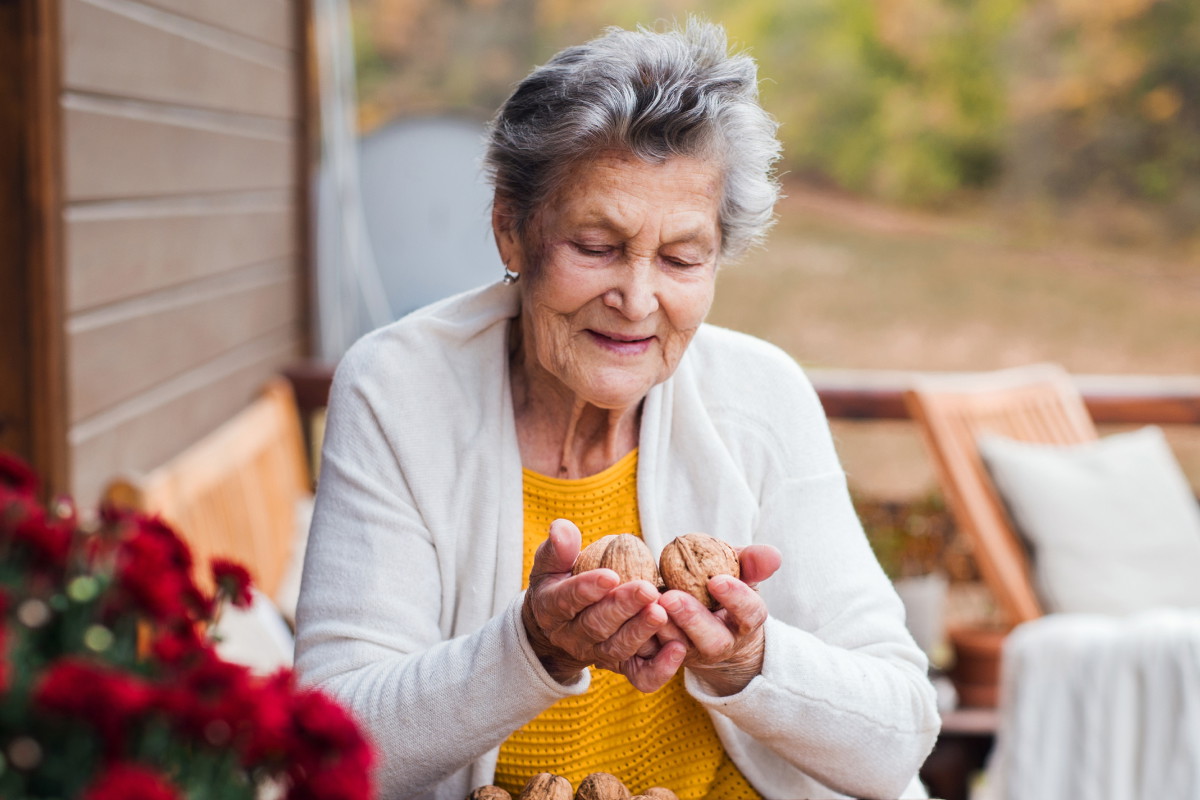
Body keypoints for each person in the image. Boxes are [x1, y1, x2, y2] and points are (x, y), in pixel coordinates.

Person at [295, 19, 940, 800]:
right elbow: (329, 746)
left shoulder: (762, 396)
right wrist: (532, 648)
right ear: (512, 228)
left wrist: (751, 662)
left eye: (680, 258)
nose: (636, 300)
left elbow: (898, 737)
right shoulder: (400, 391)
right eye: (597, 247)